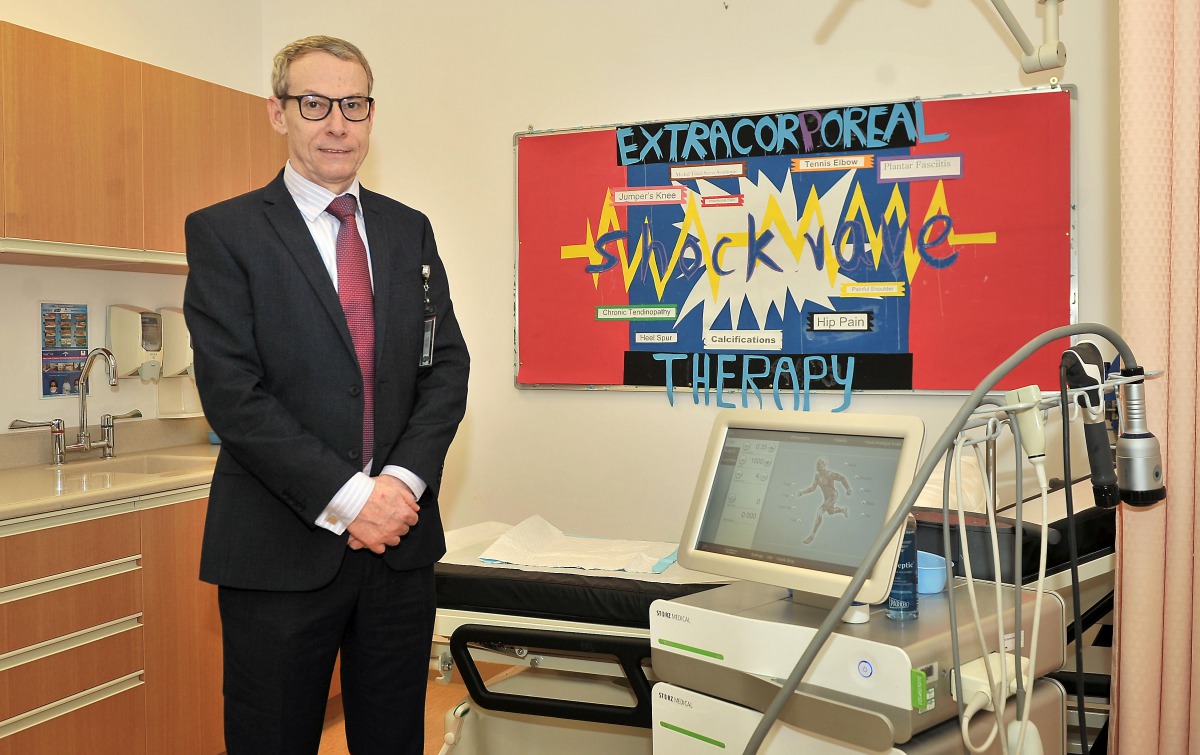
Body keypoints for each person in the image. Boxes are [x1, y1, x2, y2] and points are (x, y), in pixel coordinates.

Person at [183, 35, 470, 755]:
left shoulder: (410, 231)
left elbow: (447, 370)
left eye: (354, 104)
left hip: (397, 554)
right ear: (279, 114)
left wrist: (398, 485)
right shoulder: (226, 233)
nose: (337, 123)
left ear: (371, 115)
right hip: (278, 554)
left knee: (394, 739)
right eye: (314, 104)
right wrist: (351, 499)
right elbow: (234, 395)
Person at [799, 458, 853, 545]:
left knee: (819, 512)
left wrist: (848, 488)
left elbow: (842, 478)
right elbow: (813, 488)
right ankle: (842, 510)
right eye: (817, 464)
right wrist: (802, 492)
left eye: (819, 464)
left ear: (824, 465)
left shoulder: (830, 474)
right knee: (831, 512)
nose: (817, 466)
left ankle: (812, 535)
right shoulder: (817, 476)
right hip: (826, 498)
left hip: (833, 496)